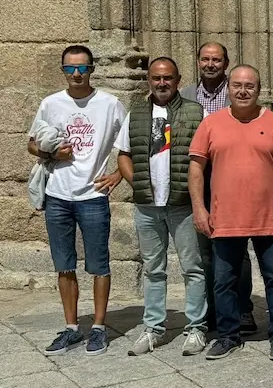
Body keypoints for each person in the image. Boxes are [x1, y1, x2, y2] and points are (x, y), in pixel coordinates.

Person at [189, 65, 273, 361]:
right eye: (237, 85)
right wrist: (199, 207)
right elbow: (196, 168)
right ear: (229, 89)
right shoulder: (211, 124)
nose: (243, 91)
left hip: (270, 218)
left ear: (258, 90)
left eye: (249, 86)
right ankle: (228, 335)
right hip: (225, 218)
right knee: (224, 281)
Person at [30, 45, 126, 356]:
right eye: (70, 68)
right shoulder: (51, 103)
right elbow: (32, 144)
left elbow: (129, 145)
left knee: (99, 265)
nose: (76, 74)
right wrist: (50, 153)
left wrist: (117, 176)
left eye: (82, 68)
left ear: (91, 69)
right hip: (58, 194)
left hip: (92, 196)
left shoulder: (109, 104)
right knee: (64, 265)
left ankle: (98, 327)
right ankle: (72, 327)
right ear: (63, 70)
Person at [115, 57, 207, 356]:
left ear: (178, 80)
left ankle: (196, 327)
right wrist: (138, 184)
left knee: (193, 268)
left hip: (182, 203)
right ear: (149, 81)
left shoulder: (196, 112)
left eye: (167, 78)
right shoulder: (136, 113)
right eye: (156, 78)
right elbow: (124, 155)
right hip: (147, 206)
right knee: (154, 269)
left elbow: (205, 157)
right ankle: (153, 327)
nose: (162, 83)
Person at [180, 42, 257, 335]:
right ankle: (214, 309)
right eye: (205, 59)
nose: (210, 64)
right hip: (199, 175)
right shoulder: (186, 94)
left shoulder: (237, 91)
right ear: (198, 62)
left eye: (216, 60)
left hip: (232, 178)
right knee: (206, 250)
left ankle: (244, 308)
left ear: (226, 63)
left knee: (238, 248)